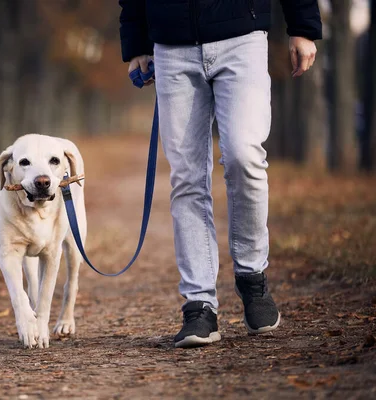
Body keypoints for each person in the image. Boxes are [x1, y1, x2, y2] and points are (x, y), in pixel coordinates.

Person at [118, 0, 321, 348]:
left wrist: (303, 25)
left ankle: (252, 277)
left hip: (242, 34)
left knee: (245, 157)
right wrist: (137, 42)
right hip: (172, 45)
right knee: (187, 177)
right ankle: (199, 305)